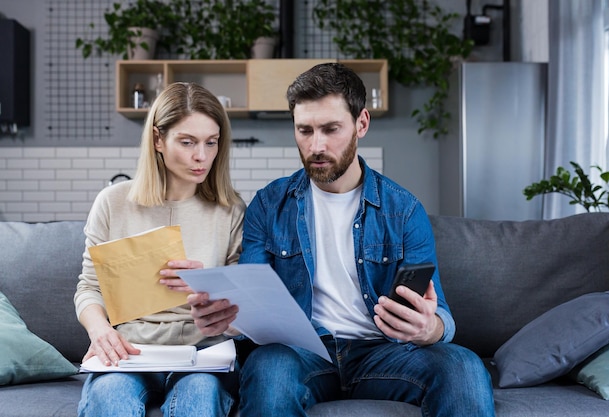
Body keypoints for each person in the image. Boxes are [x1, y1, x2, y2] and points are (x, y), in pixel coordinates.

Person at [188, 63, 495, 416]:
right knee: (270, 366)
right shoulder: (269, 205)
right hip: (302, 352)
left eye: (331, 129)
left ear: (361, 123)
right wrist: (230, 318)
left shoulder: (404, 210)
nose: (316, 145)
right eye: (304, 131)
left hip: (382, 352)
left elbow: (439, 312)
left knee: (462, 365)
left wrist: (430, 328)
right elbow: (250, 302)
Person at [74, 82, 245, 417]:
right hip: (130, 351)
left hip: (202, 356)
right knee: (110, 399)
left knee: (198, 400)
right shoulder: (113, 202)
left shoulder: (231, 210)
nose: (201, 156)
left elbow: (243, 309)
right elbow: (89, 288)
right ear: (157, 140)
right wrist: (100, 331)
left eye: (211, 143)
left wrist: (210, 286)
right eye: (187, 142)